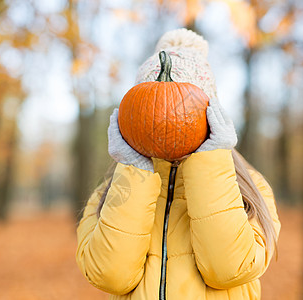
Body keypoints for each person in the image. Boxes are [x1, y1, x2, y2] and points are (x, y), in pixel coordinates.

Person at [75, 28, 281, 300]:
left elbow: (230, 269)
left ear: (211, 113)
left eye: (181, 107)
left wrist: (211, 162)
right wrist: (134, 170)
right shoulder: (109, 193)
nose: (164, 119)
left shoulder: (251, 189)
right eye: (150, 106)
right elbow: (109, 275)